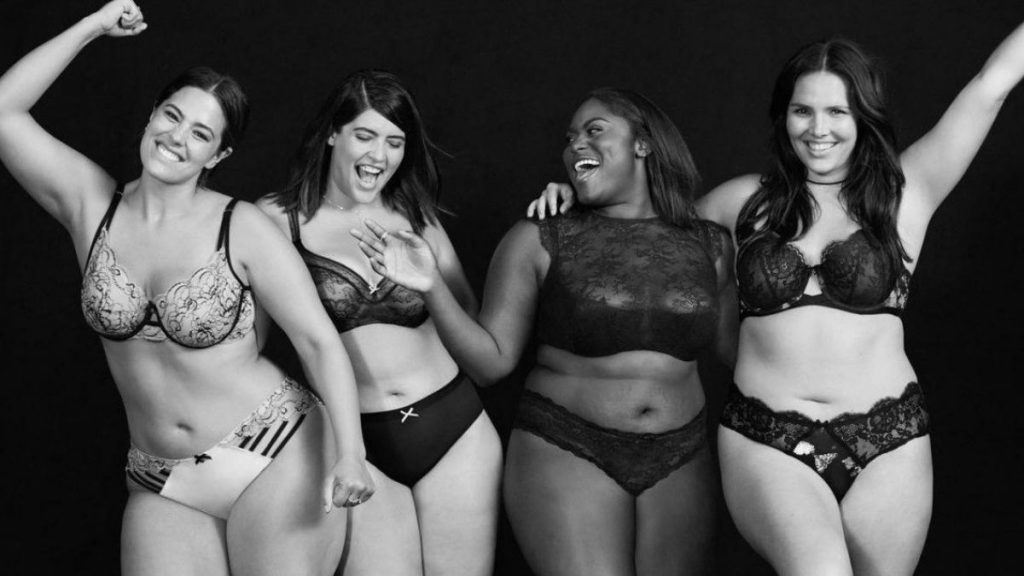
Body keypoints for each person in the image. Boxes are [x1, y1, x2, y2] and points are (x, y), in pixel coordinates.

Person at [530, 22, 1024, 576]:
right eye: (802, 111)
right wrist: (584, 191)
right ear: (783, 116)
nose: (818, 129)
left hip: (891, 438)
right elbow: (641, 234)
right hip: (770, 437)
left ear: (863, 117)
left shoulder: (906, 194)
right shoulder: (743, 202)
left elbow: (991, 85)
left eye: (837, 112)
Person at [0, 2, 375, 575]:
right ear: (153, 114)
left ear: (218, 154)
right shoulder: (90, 205)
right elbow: (4, 111)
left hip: (275, 449)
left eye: (200, 133)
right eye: (171, 116)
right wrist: (93, 26)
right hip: (160, 474)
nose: (176, 137)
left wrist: (351, 453)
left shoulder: (240, 225)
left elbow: (318, 342)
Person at [352, 87, 737, 576]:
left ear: (643, 143)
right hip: (568, 446)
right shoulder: (538, 236)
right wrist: (431, 287)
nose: (576, 145)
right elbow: (490, 364)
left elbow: (740, 355)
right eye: (570, 138)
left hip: (682, 456)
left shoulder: (711, 244)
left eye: (594, 130)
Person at [257, 70, 502, 576]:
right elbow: (251, 346)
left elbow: (473, 335)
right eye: (365, 136)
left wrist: (430, 284)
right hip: (356, 443)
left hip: (455, 430)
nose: (379, 155)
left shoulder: (417, 217)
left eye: (394, 142)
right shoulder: (275, 221)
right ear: (333, 133)